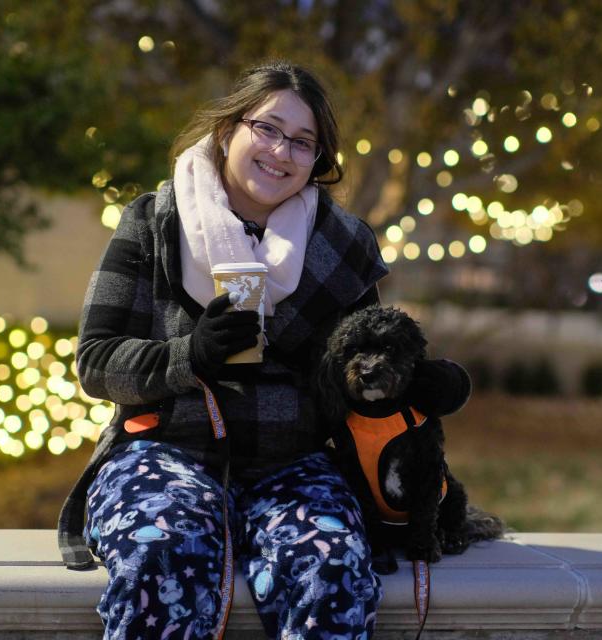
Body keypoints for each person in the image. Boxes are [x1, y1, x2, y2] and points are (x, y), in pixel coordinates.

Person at [57, 61, 390, 639]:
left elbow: (369, 370)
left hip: (293, 465)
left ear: (318, 161)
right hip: (163, 451)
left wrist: (406, 379)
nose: (282, 152)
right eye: (268, 129)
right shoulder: (153, 220)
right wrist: (188, 355)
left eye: (303, 142)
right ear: (227, 129)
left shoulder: (343, 245)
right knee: (162, 555)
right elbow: (96, 360)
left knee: (331, 566)